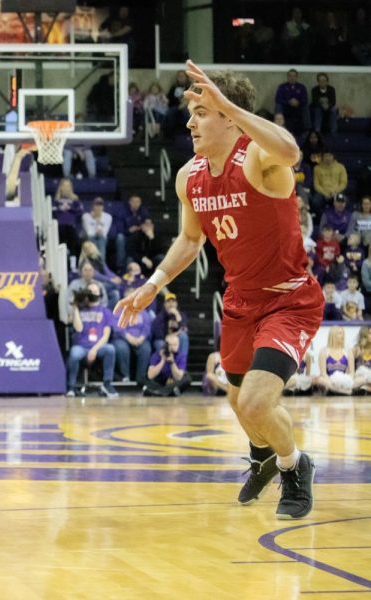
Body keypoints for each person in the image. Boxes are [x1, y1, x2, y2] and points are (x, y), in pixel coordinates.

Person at [115, 61, 322, 519]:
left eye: (201, 112)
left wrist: (228, 103)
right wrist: (152, 285)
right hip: (240, 302)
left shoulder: (260, 158)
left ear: (228, 115)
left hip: (288, 299)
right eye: (191, 113)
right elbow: (191, 240)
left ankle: (294, 467)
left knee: (255, 400)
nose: (189, 122)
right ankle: (265, 453)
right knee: (239, 403)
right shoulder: (188, 176)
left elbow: (290, 152)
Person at [65, 282, 118, 398]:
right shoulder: (81, 310)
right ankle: (71, 387)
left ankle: (107, 384)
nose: (92, 293)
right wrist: (75, 308)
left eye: (95, 291)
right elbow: (78, 329)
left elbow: (106, 335)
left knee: (110, 349)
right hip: (82, 346)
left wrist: (94, 350)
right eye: (89, 291)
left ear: (100, 294)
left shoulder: (106, 312)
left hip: (98, 346)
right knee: (74, 353)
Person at [111, 287, 152, 384]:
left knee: (146, 348)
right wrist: (129, 338)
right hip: (123, 338)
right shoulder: (120, 310)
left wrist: (141, 338)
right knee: (121, 348)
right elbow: (117, 327)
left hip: (139, 338)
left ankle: (141, 377)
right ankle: (125, 376)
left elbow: (147, 326)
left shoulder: (142, 310)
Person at [314, 326, 353, 395]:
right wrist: (332, 381)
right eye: (340, 333)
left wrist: (346, 380)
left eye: (343, 333)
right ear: (333, 335)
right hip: (329, 380)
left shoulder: (348, 351)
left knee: (359, 380)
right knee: (320, 380)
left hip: (344, 380)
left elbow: (352, 373)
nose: (343, 335)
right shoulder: (324, 351)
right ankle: (344, 391)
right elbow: (323, 373)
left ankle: (336, 390)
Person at [115, 194, 149, 270]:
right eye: (133, 202)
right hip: (126, 235)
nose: (135, 204)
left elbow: (148, 224)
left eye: (138, 202)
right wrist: (129, 230)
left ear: (140, 203)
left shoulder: (143, 212)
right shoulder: (122, 212)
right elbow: (119, 229)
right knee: (119, 237)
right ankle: (120, 265)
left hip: (138, 236)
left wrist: (140, 228)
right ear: (129, 202)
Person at [274, 69, 309, 134]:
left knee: (306, 107)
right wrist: (288, 102)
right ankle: (278, 125)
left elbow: (305, 99)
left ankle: (307, 129)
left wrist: (298, 102)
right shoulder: (282, 87)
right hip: (286, 107)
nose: (292, 78)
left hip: (298, 107)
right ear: (287, 77)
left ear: (296, 77)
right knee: (278, 105)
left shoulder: (301, 87)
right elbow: (278, 98)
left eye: (294, 76)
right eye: (290, 76)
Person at [352, 326, 371, 394]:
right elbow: (351, 371)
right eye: (369, 333)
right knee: (357, 381)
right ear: (364, 336)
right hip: (359, 377)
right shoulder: (356, 349)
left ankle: (365, 388)